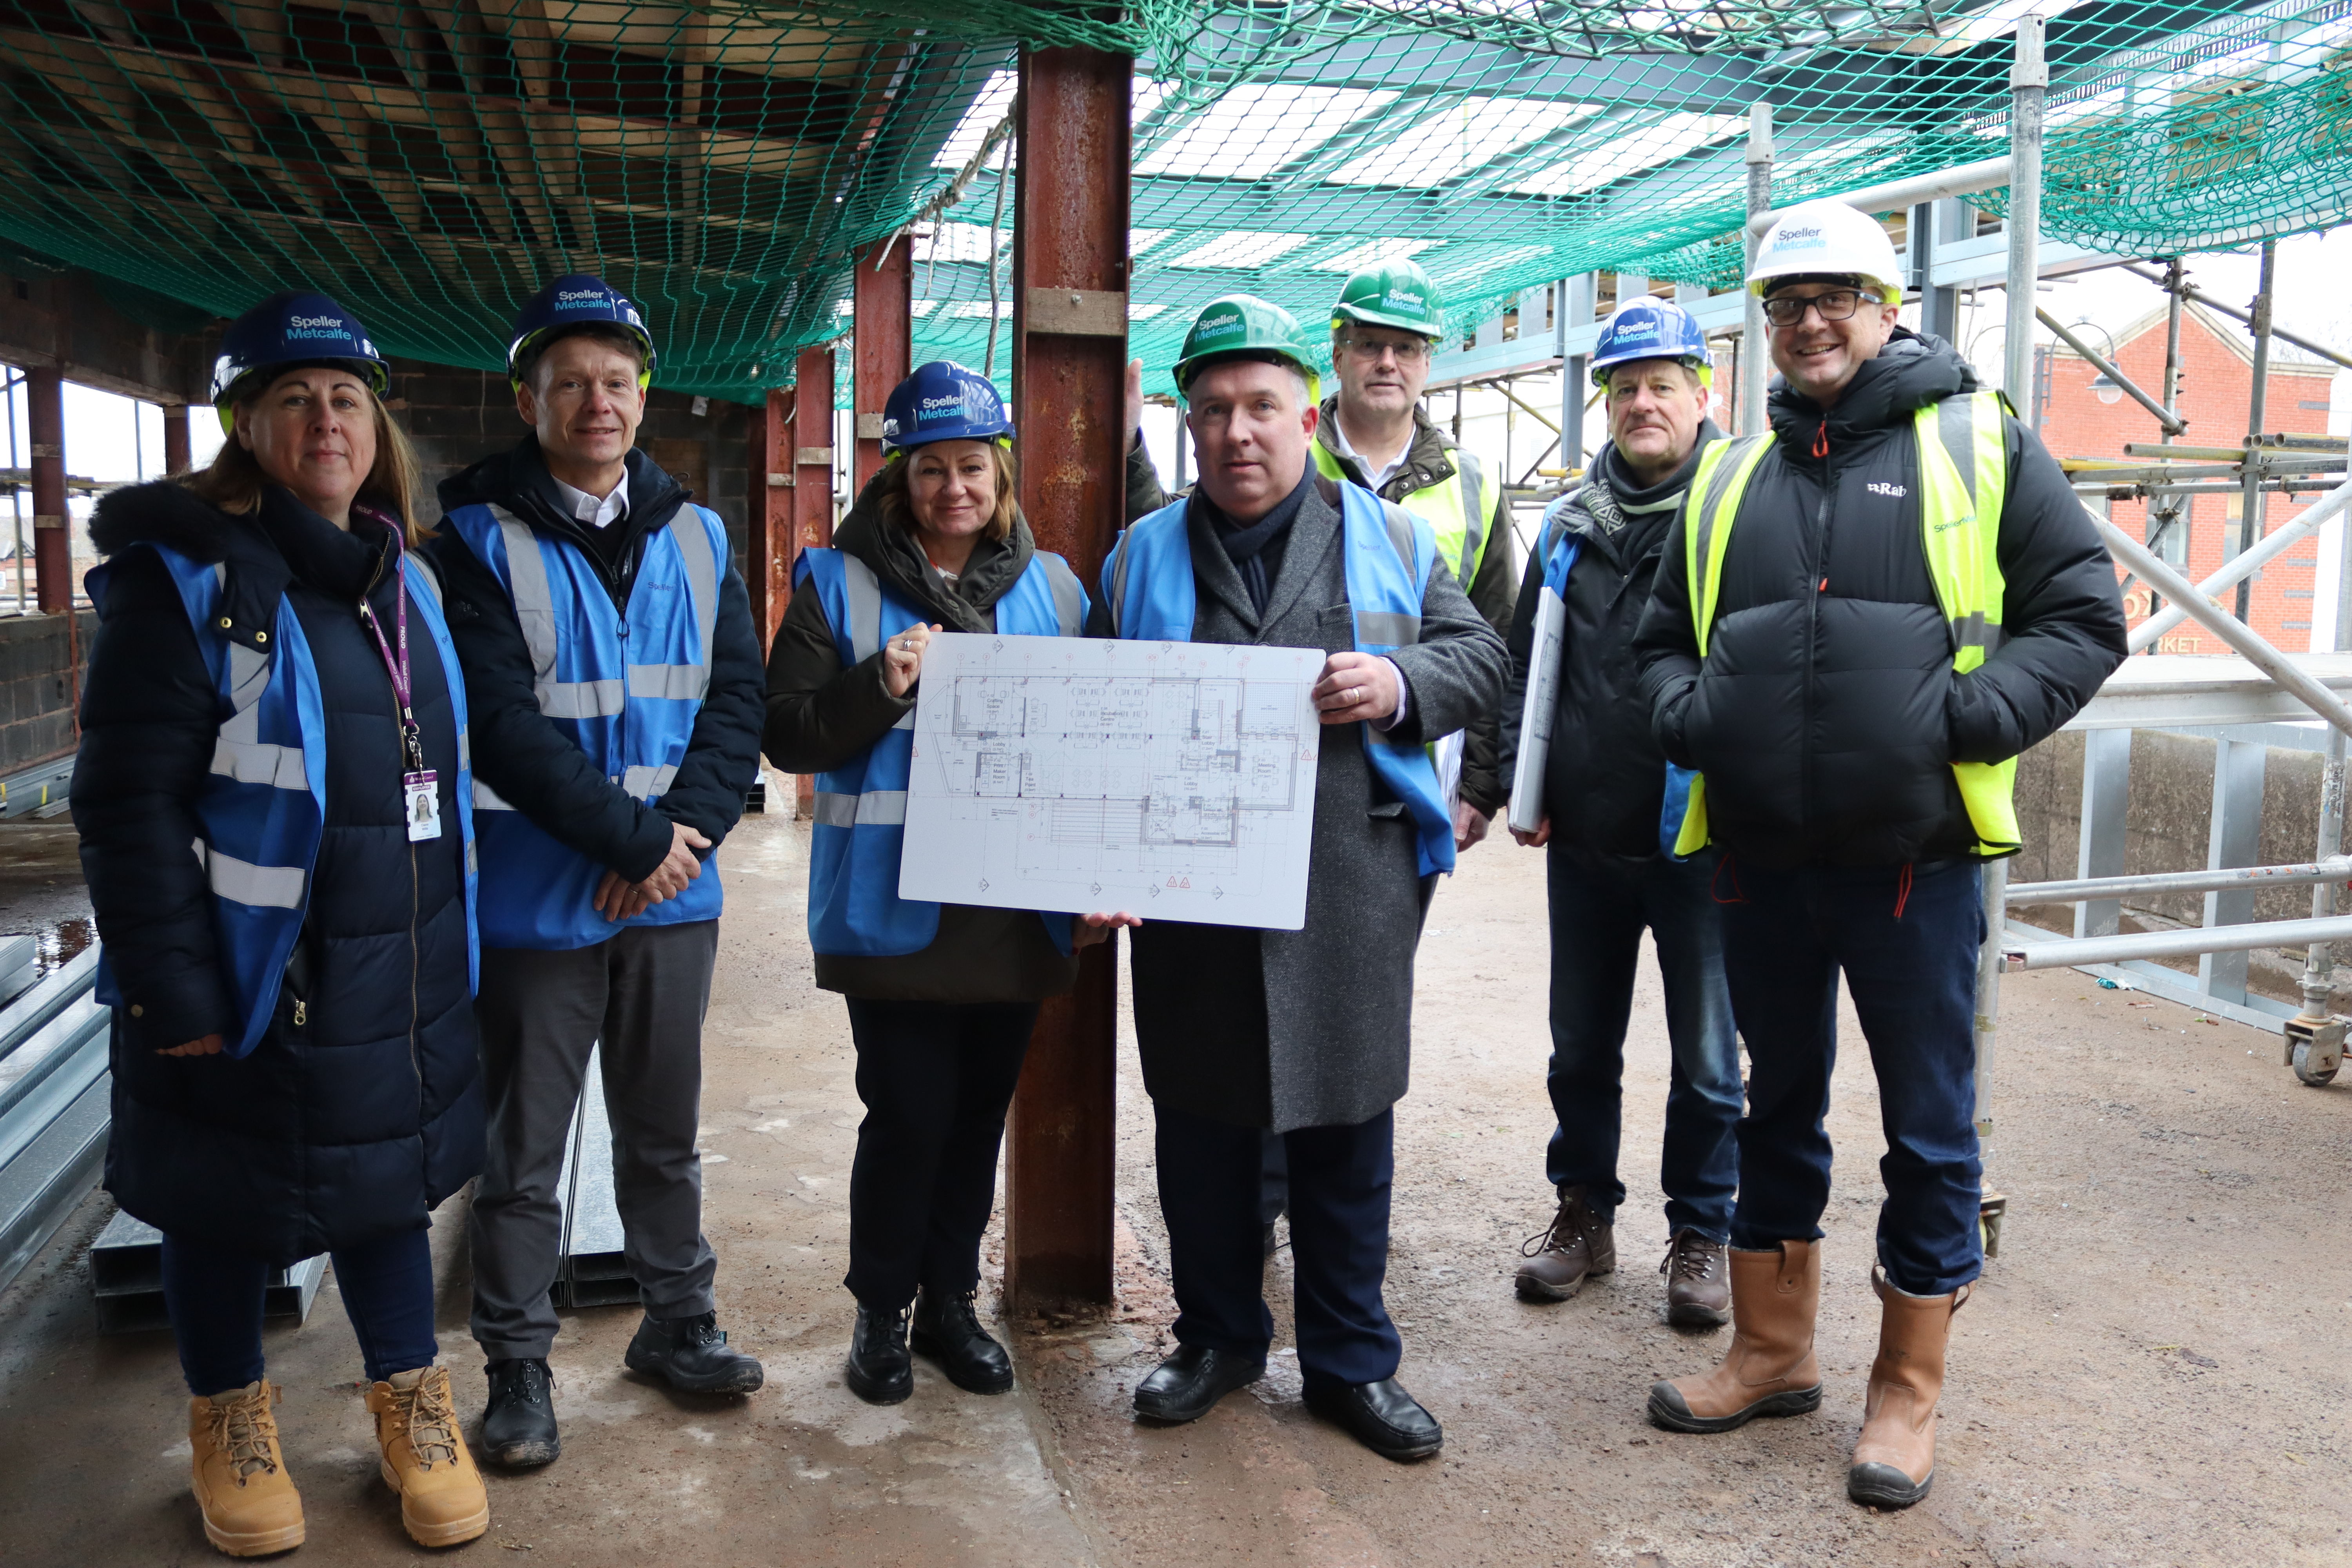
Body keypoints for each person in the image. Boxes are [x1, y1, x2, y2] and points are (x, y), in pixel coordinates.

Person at [1633, 200, 2126, 1508]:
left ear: (1888, 305)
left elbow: (2082, 615)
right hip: (1758, 862)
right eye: (1787, 302)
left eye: (1837, 295)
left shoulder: (1976, 442)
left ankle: (1905, 1394)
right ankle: (1772, 1350)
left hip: (1917, 861)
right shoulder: (1730, 471)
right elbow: (1655, 640)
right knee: (1772, 1105)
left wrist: (1961, 719)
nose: (1811, 321)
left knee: (1929, 1126)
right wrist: (1700, 718)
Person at [76, 292, 490, 1555]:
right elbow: (128, 806)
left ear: (380, 426)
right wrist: (173, 992)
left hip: (392, 957)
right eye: (293, 397)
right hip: (248, 974)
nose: (326, 418)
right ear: (245, 425)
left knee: (384, 1193)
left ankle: (415, 1409)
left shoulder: (401, 578)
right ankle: (230, 1423)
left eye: (347, 397)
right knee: (219, 1204)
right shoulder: (186, 586)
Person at [1094, 296, 1507, 1463]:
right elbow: (1094, 718)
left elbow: (1481, 654)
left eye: (1262, 408)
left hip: (1350, 887)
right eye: (1214, 410)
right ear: (1187, 421)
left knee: (1345, 1136)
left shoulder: (1393, 539)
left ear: (1306, 415)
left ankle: (1348, 1364)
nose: (1239, 433)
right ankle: (1218, 1339)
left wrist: (1395, 684)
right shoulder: (1140, 555)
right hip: (1195, 896)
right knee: (1204, 1133)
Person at [431, 275, 767, 1470]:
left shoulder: (699, 531)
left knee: (663, 1132)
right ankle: (518, 1364)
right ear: (529, 401)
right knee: (522, 1152)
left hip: (675, 892)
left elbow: (736, 701)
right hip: (541, 895)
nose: (597, 401)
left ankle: (676, 1325)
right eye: (569, 382)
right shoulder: (470, 538)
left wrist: (679, 840)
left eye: (616, 381)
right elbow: (498, 720)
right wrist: (631, 844)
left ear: (644, 396)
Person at [762, 361, 1124, 1404]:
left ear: (999, 473)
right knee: (909, 1112)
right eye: (931, 470)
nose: (953, 489)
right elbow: (787, 735)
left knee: (974, 1118)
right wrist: (880, 682)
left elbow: (1099, 740)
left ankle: (950, 1305)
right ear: (897, 478)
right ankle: (883, 1309)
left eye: (972, 467)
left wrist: (1100, 878)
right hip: (892, 911)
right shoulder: (837, 585)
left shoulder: (1056, 589)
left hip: (1012, 914)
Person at [1499, 296, 1741, 1326]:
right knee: (1582, 1045)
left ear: (1703, 393)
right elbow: (1524, 661)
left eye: (1662, 385)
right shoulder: (1570, 526)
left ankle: (1703, 1233)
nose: (1643, 403)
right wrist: (1525, 781)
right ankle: (1583, 1215)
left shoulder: (1746, 509)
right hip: (1591, 830)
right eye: (1625, 387)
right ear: (1605, 402)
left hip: (1704, 837)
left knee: (1710, 1053)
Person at [1122, 258, 1514, 852]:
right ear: (1337, 358)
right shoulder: (1172, 533)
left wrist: (1465, 767)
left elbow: (1492, 641)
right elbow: (1164, 545)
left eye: (1406, 347)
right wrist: (1126, 450)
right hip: (1195, 846)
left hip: (1372, 822)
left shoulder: (1452, 496)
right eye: (1369, 344)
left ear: (1302, 423)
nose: (1240, 434)